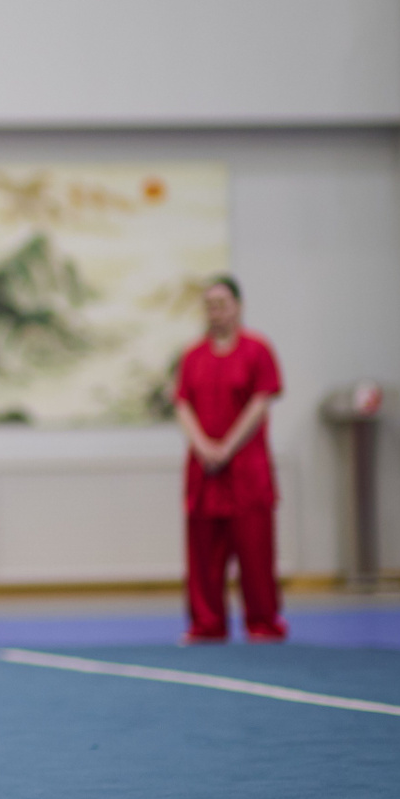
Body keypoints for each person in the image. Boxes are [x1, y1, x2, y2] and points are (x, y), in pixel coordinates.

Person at [174, 275, 287, 644]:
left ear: (238, 306)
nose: (216, 312)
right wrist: (204, 446)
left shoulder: (257, 350)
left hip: (246, 469)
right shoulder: (192, 356)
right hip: (205, 470)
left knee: (255, 550)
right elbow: (183, 404)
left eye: (222, 304)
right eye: (209, 306)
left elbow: (261, 401)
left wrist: (227, 446)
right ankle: (207, 624)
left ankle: (262, 623)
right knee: (204, 553)